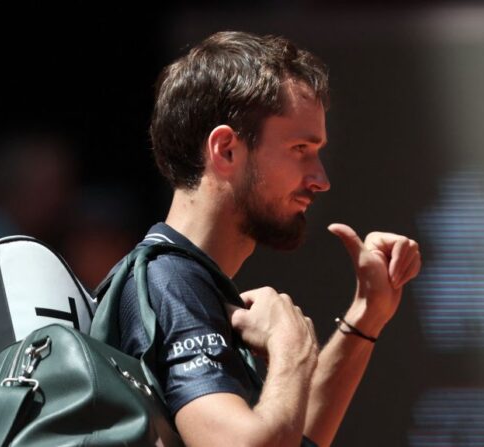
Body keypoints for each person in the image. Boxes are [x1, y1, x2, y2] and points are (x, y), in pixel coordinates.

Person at [118, 31, 421, 447]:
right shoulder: (172, 282)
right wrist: (291, 347)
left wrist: (368, 314)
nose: (321, 180)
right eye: (300, 148)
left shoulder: (186, 282)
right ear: (226, 150)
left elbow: (290, 436)